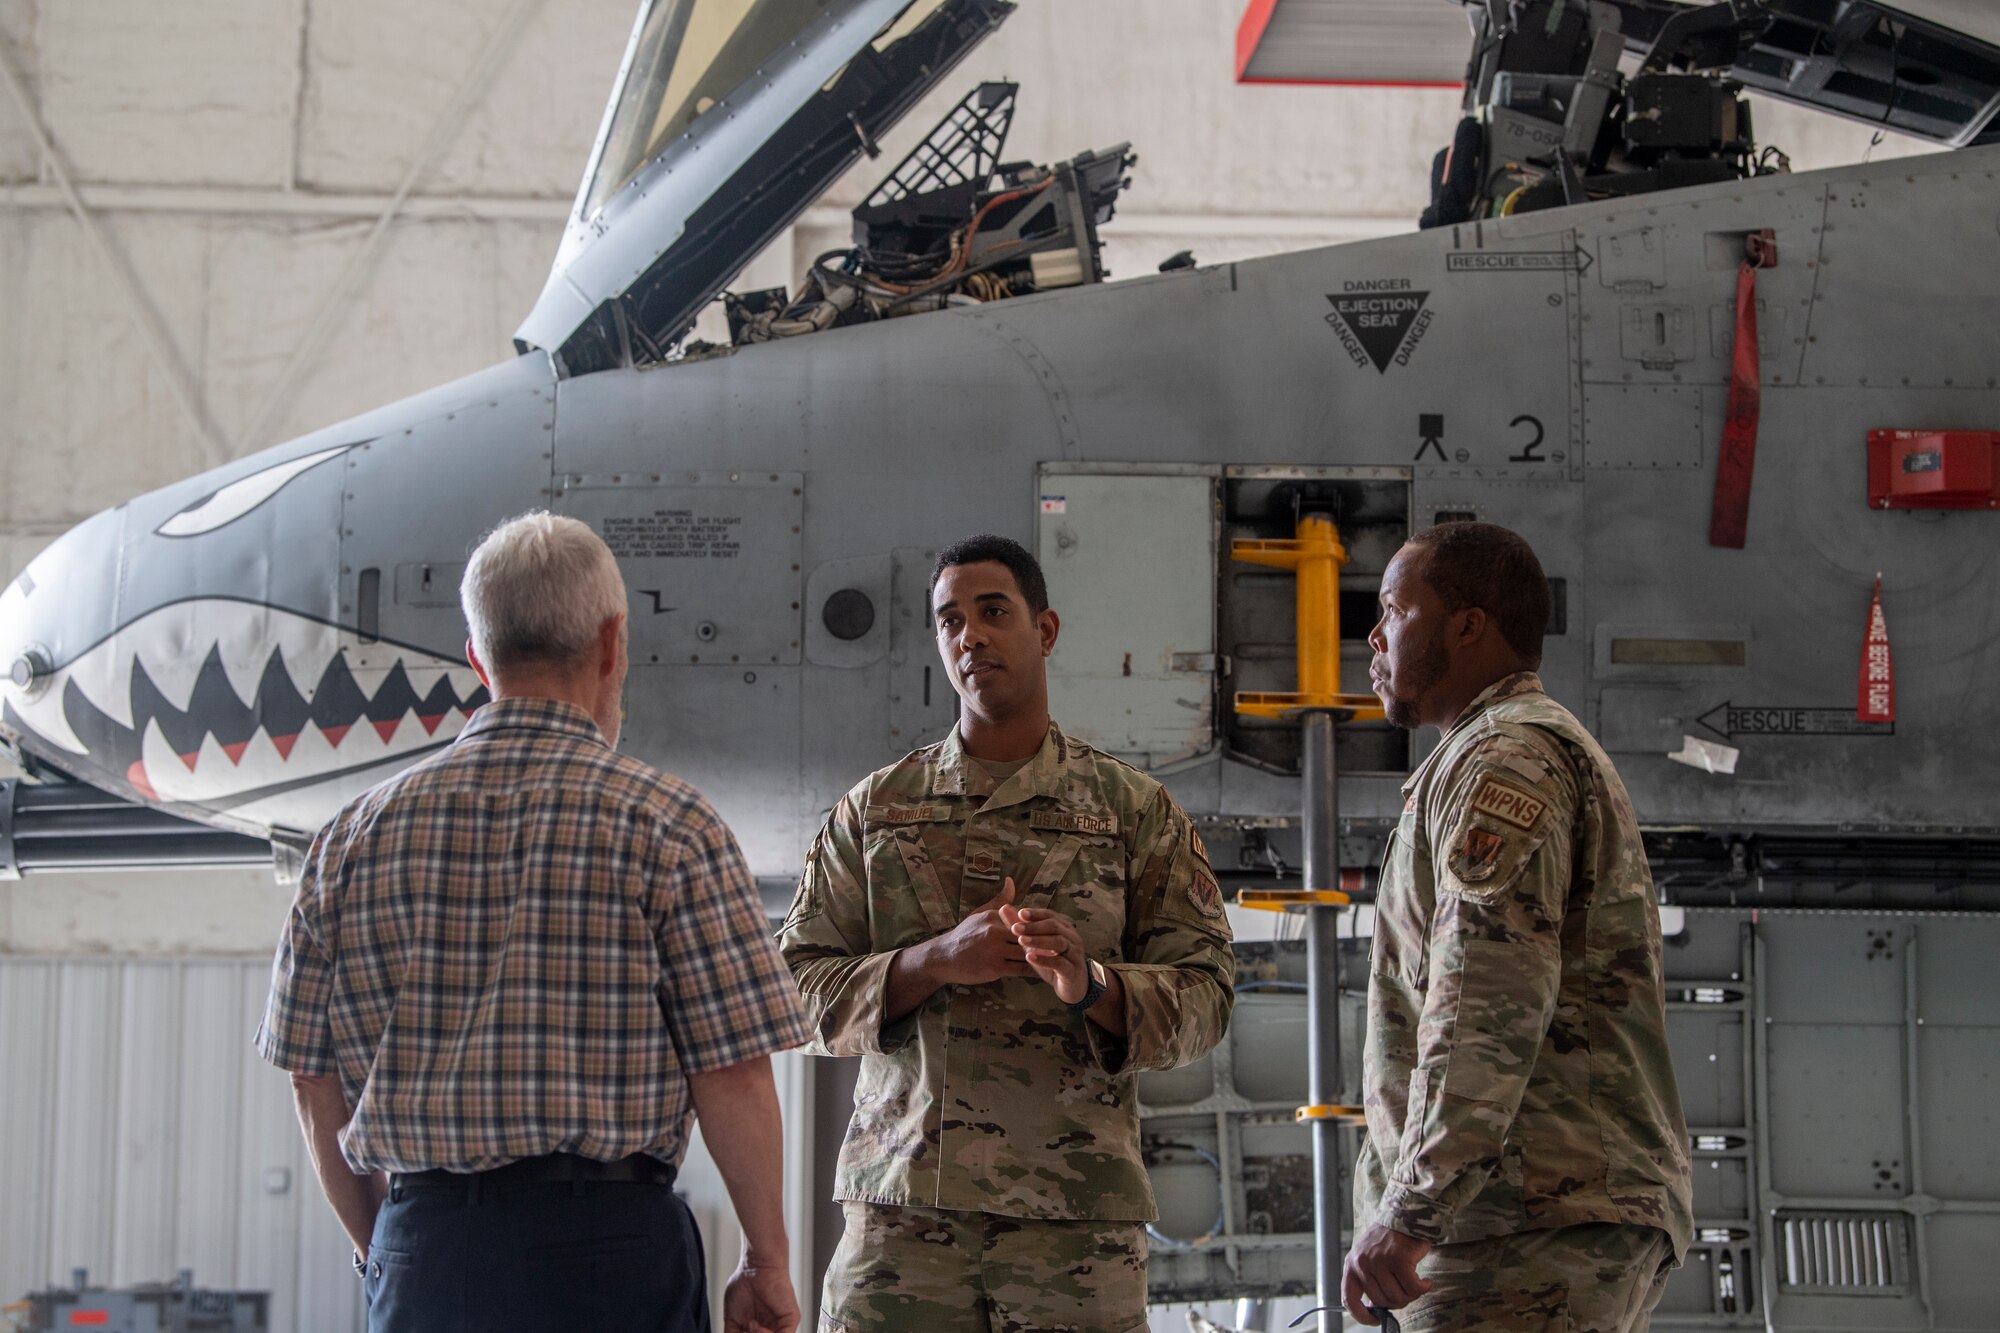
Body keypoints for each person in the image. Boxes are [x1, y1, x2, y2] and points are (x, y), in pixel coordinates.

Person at [255, 511, 812, 1333]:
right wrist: (765, 1259)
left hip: (425, 1241)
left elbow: (311, 1078)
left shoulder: (348, 838)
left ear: (478, 657)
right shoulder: (671, 825)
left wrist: (392, 1251)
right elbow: (731, 1069)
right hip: (609, 1251)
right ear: (614, 643)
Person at [780, 534, 1235, 1333]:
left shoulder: (1134, 812)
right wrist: (929, 962)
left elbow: (1207, 993)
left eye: (993, 612)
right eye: (949, 620)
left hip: (1076, 1230)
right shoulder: (875, 811)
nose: (970, 636)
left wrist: (1095, 986)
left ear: (1046, 629)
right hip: (902, 1224)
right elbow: (789, 992)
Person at [1343, 521, 1694, 1330]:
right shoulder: (1500, 753)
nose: (1373, 634)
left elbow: (1485, 999)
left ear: (1467, 625)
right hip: (1541, 1210)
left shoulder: (1505, 760)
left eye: (1395, 610)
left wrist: (1413, 1209)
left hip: (1522, 1218)